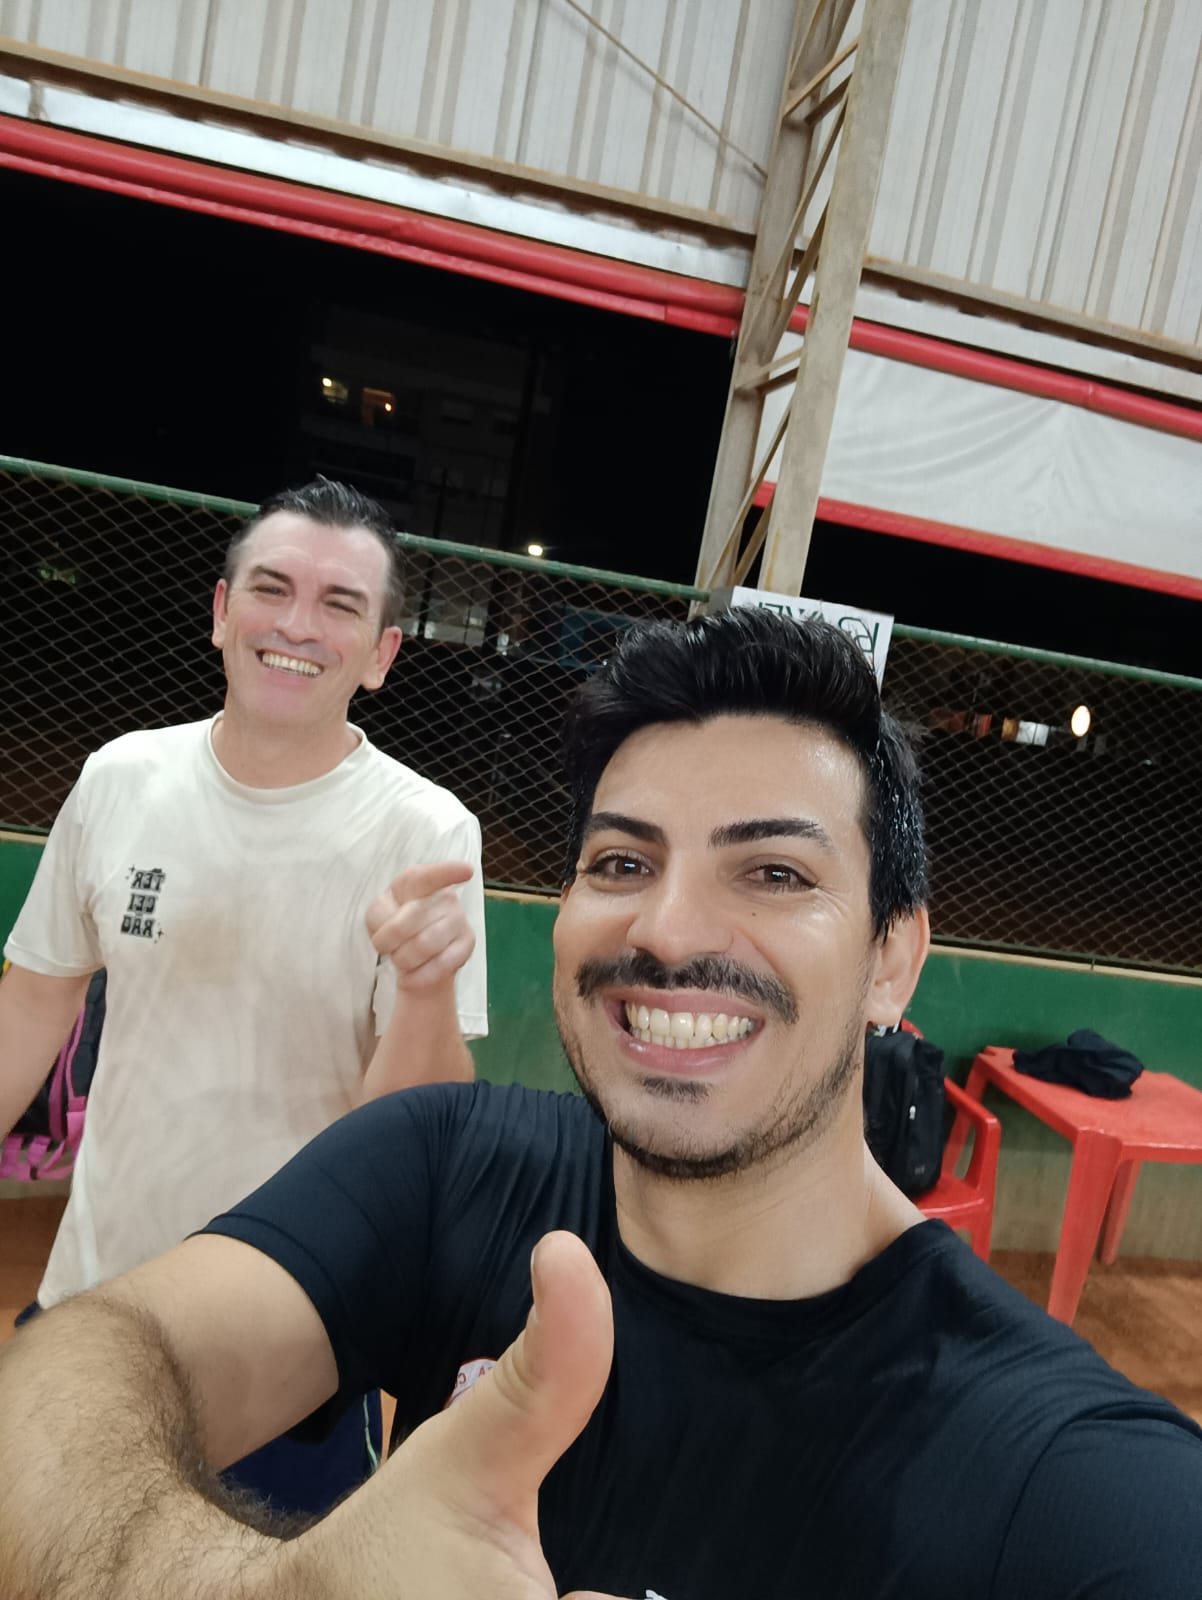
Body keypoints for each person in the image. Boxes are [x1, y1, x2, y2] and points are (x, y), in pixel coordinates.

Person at [1, 608, 1200, 1600]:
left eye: (773, 871)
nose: (665, 930)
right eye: (621, 861)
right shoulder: (445, 1165)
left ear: (891, 959)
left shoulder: (1058, 1472)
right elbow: (59, 1382)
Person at [0, 476, 488, 1515]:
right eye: (272, 588)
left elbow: (414, 1129)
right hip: (93, 1301)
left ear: (381, 655)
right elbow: (33, 1005)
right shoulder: (121, 778)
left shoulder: (427, 832)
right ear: (222, 612)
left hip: (294, 1340)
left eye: (340, 605)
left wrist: (425, 988)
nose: (297, 625)